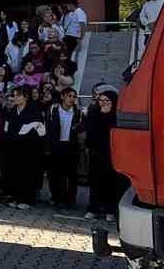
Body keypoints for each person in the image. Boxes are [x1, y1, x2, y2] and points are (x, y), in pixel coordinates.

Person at [0, 86, 47, 209]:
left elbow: (41, 132)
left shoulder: (35, 112)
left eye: (18, 95)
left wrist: (25, 135)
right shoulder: (11, 112)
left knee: (27, 175)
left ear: (26, 97)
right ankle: (15, 197)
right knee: (14, 174)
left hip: (29, 150)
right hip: (13, 150)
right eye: (14, 95)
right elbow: (6, 131)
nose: (15, 98)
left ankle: (27, 200)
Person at [85, 90, 125, 220]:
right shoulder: (94, 114)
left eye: (107, 101)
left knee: (111, 182)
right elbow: (90, 132)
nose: (103, 103)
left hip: (112, 155)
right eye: (101, 100)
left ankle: (110, 210)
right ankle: (93, 208)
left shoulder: (116, 116)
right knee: (95, 182)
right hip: (96, 154)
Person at [45, 87, 84, 210]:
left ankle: (70, 199)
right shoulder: (53, 109)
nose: (71, 99)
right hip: (56, 145)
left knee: (71, 174)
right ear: (62, 96)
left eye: (74, 96)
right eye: (69, 96)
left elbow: (80, 129)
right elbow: (48, 127)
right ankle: (56, 197)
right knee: (55, 173)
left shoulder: (77, 112)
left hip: (70, 146)